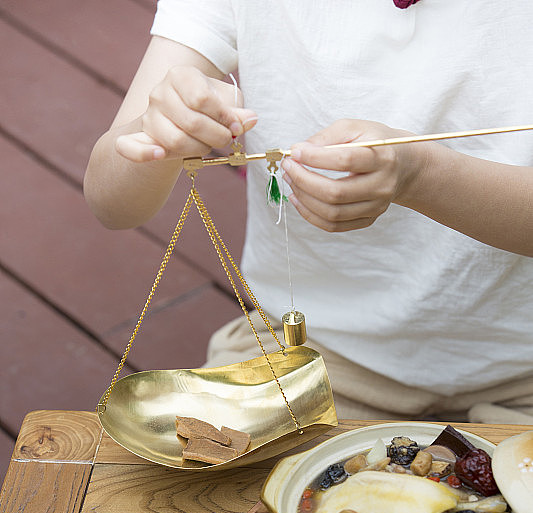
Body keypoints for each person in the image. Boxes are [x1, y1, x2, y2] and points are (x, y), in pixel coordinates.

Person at [84, 0, 533, 422]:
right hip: (306, 357)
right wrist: (159, 130)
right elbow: (110, 203)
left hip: (522, 374)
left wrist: (422, 177)